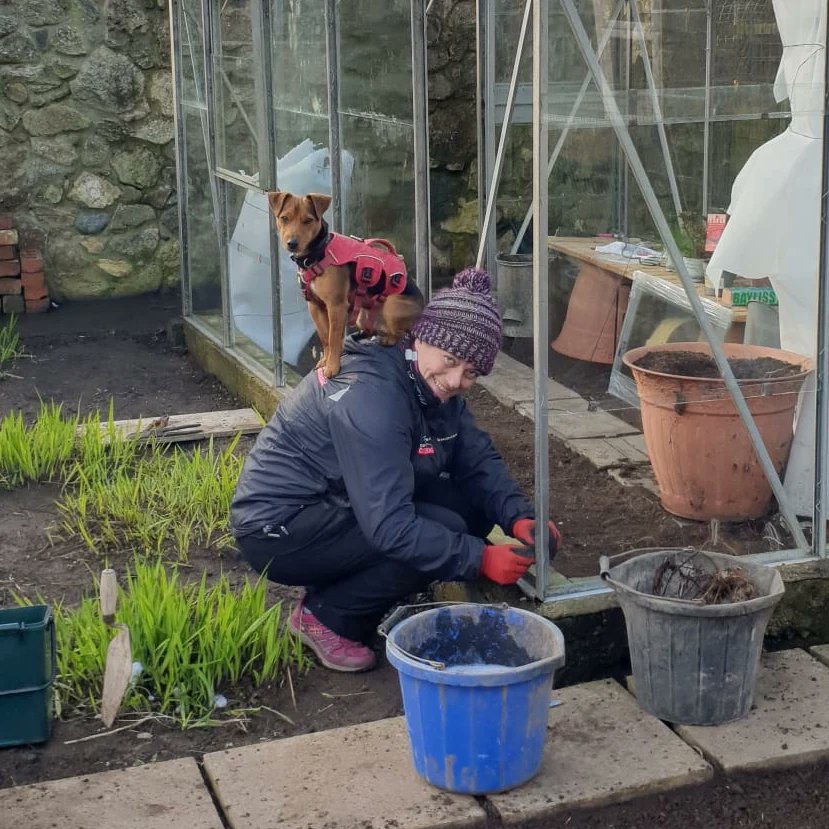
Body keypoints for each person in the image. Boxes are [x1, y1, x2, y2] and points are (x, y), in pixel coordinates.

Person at [230, 267, 561, 672]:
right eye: (451, 360)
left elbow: (474, 458)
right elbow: (389, 527)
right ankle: (328, 616)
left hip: (336, 501)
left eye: (471, 372)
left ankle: (346, 580)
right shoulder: (374, 397)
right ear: (422, 338)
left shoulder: (423, 378)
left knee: (469, 510)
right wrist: (479, 558)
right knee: (440, 532)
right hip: (279, 527)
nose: (455, 380)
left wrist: (519, 515)